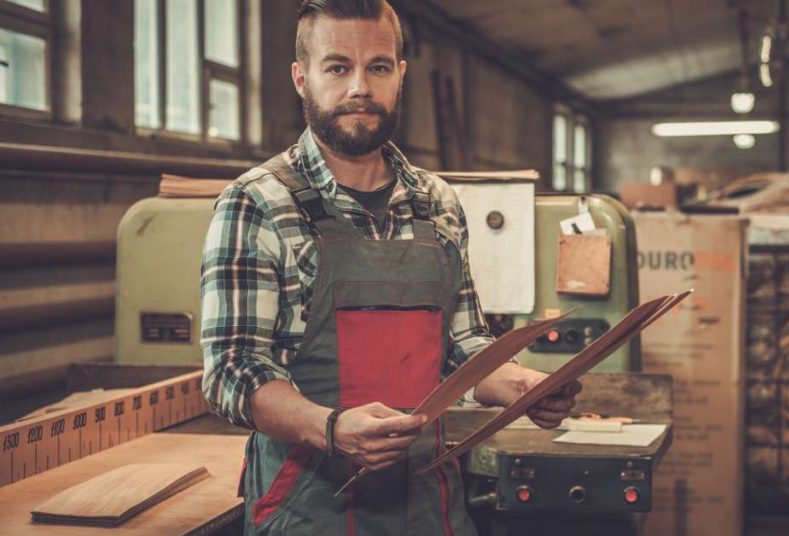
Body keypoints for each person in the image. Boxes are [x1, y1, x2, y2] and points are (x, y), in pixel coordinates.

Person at [199, 0, 580, 534]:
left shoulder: (438, 202)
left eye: (378, 67)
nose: (360, 87)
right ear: (301, 78)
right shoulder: (257, 203)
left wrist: (521, 386)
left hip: (430, 509)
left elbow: (463, 349)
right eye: (337, 67)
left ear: (400, 75)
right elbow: (232, 372)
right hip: (308, 513)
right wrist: (329, 428)